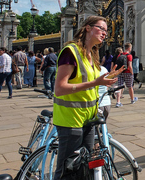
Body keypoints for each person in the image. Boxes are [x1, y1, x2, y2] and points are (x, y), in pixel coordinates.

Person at [52, 15, 122, 180]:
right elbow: (60, 88)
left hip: (89, 120)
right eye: (101, 28)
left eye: (106, 29)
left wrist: (104, 81)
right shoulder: (71, 52)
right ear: (87, 28)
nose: (105, 33)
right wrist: (95, 82)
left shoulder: (92, 55)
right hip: (71, 121)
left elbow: (88, 84)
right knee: (67, 172)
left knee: (85, 169)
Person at [115, 43, 137, 107]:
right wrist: (132, 73)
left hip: (120, 72)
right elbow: (130, 66)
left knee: (119, 87)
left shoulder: (119, 55)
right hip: (127, 72)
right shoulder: (129, 55)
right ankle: (132, 100)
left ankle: (118, 102)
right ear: (129, 48)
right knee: (130, 87)